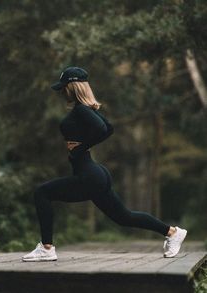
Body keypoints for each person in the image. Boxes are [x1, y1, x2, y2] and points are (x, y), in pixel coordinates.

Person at [22, 67, 187, 262]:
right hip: (95, 174)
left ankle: (47, 248)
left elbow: (103, 129)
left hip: (89, 176)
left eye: (63, 88)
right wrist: (84, 146)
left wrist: (81, 147)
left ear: (72, 87)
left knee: (42, 192)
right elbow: (108, 128)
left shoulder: (81, 110)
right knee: (124, 217)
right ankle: (172, 232)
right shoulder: (85, 108)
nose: (61, 92)